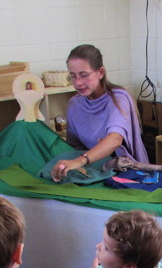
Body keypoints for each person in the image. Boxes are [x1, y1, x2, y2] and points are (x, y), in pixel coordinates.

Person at [50, 44, 148, 181]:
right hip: (96, 170)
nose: (78, 82)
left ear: (100, 72)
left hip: (127, 172)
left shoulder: (119, 99)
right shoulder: (74, 104)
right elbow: (74, 148)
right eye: (73, 76)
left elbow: (114, 139)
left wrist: (80, 161)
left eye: (84, 75)